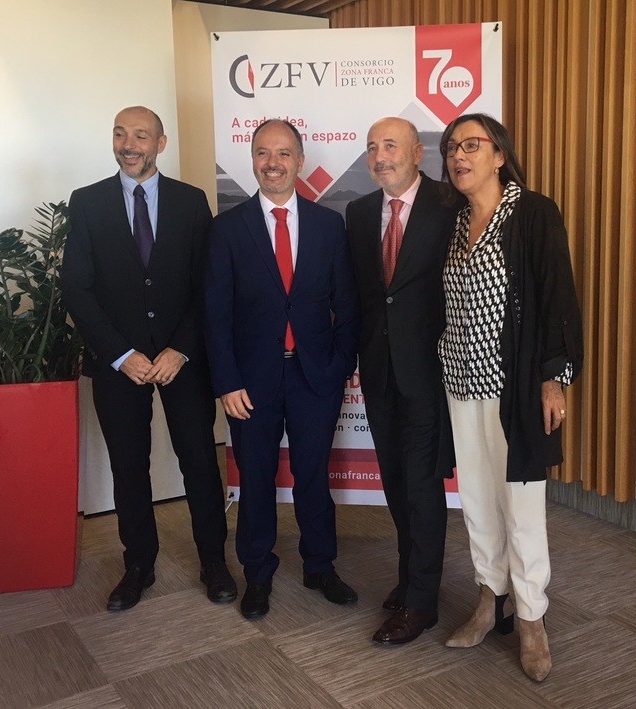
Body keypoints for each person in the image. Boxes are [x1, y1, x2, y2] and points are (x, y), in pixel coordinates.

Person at [63, 106, 235, 611]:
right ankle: (139, 564)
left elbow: (207, 284)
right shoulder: (88, 202)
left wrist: (179, 349)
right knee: (128, 466)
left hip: (180, 359)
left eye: (141, 135)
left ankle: (214, 562)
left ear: (161, 142)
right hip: (121, 365)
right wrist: (120, 354)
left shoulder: (190, 201)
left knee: (200, 462)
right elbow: (77, 287)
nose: (128, 144)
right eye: (120, 133)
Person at [437, 113, 583, 681]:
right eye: (451, 147)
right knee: (474, 498)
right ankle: (487, 597)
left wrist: (554, 377)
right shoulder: (452, 221)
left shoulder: (533, 213)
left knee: (521, 505)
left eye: (471, 145)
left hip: (515, 388)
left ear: (500, 155)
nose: (458, 156)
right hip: (459, 382)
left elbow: (558, 299)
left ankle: (530, 617)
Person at [204, 118, 360, 620]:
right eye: (263, 153)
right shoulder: (226, 228)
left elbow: (348, 306)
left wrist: (338, 367)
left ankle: (320, 566)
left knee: (314, 474)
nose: (273, 163)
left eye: (284, 153)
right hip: (250, 383)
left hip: (315, 376)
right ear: (252, 159)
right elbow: (215, 312)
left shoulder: (328, 225)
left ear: (300, 161)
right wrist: (226, 381)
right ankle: (257, 573)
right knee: (256, 479)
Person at [346, 117, 457, 645]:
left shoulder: (449, 203)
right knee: (395, 482)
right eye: (372, 147)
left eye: (390, 145)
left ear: (417, 151)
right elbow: (365, 297)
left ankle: (422, 602)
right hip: (380, 372)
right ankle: (411, 577)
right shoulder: (360, 211)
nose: (379, 155)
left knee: (421, 485)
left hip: (431, 372)